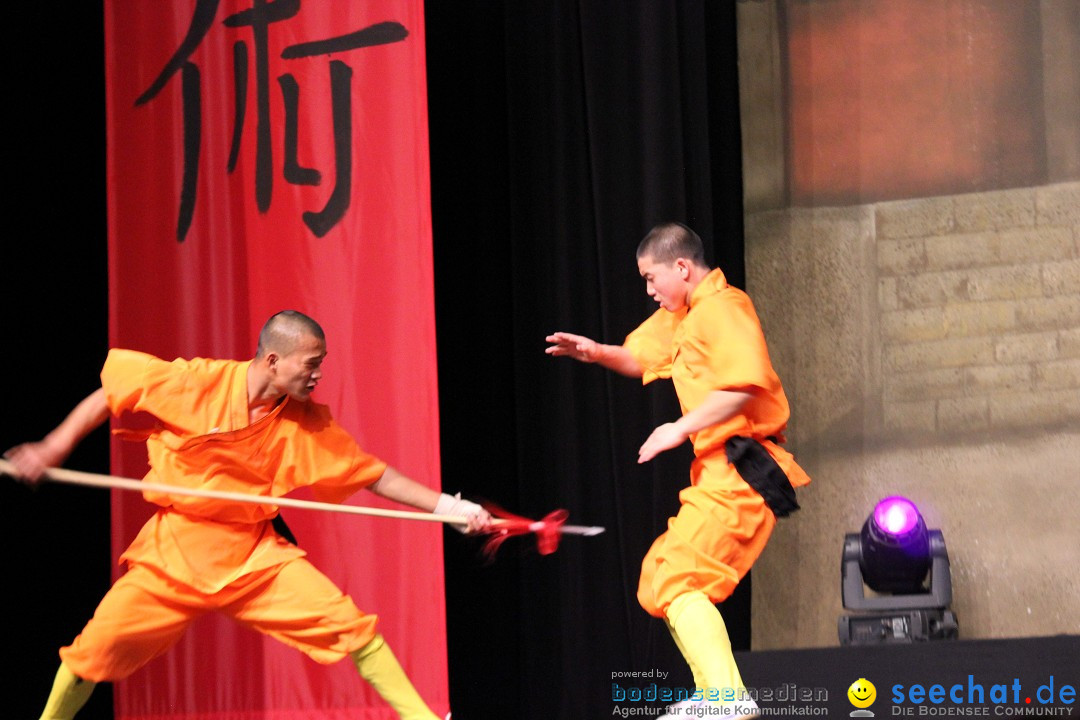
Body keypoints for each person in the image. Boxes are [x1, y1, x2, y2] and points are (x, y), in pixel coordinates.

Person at [6, 310, 490, 720]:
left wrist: (449, 508)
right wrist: (53, 446)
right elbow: (111, 393)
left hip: (254, 558)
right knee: (90, 654)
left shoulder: (305, 421)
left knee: (351, 627)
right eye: (312, 364)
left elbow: (374, 475)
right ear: (274, 359)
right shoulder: (197, 382)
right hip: (173, 555)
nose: (319, 375)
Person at [546, 222, 810, 718]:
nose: (648, 291)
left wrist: (676, 427)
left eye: (651, 278)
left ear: (682, 268)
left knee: (679, 580)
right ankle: (715, 694)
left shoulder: (725, 309)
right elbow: (637, 355)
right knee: (658, 577)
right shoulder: (683, 316)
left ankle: (726, 698)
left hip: (745, 466)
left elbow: (743, 387)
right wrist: (596, 353)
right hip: (716, 472)